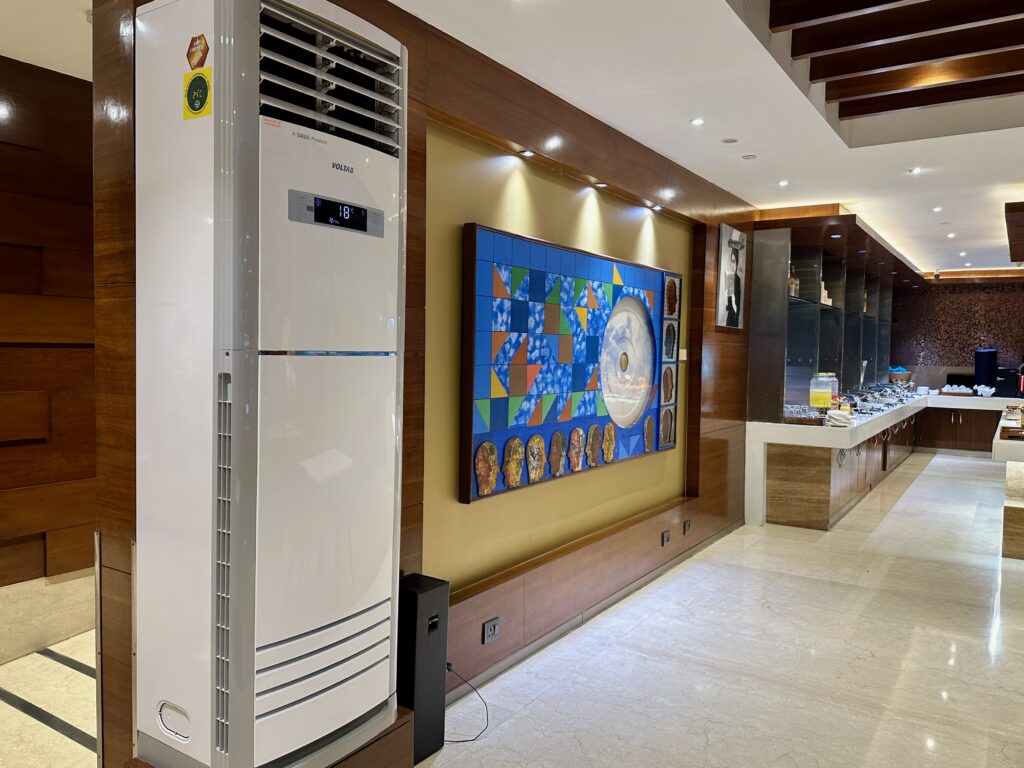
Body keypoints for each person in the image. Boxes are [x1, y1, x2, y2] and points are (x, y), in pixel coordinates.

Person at [724, 238, 743, 327]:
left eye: (734, 262)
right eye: (731, 261)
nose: (733, 265)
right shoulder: (729, 276)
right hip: (730, 314)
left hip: (735, 314)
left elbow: (737, 300)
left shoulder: (738, 279)